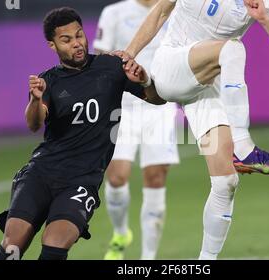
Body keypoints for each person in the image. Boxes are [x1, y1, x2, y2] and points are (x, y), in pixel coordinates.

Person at [116, 0, 269, 259]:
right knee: (233, 50)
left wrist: (263, 18)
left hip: (208, 82)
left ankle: (206, 262)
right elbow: (161, 9)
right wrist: (130, 52)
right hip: (172, 64)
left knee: (226, 181)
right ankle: (244, 146)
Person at [0, 7, 162, 260]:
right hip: (41, 173)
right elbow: (34, 123)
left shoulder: (111, 67)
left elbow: (156, 99)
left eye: (79, 35)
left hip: (82, 180)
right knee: (13, 246)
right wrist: (36, 100)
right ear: (52, 45)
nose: (77, 44)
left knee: (55, 244)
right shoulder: (47, 81)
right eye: (67, 40)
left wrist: (145, 79)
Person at [93, 0, 179, 260]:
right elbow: (99, 58)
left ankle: (148, 258)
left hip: (159, 104)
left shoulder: (174, 8)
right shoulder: (114, 13)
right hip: (122, 108)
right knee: (117, 178)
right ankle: (121, 233)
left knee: (155, 178)